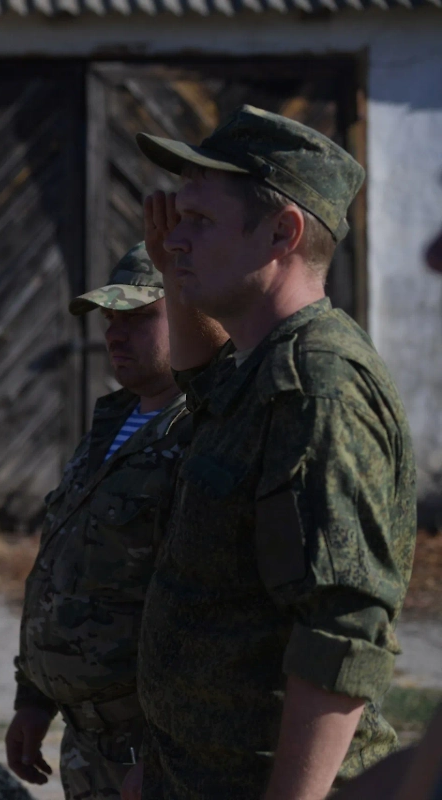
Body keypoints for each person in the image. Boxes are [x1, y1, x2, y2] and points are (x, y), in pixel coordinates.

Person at [120, 105, 416, 800]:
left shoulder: (318, 387)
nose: (174, 238)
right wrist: (162, 766)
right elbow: (201, 384)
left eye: (199, 220)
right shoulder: (259, 363)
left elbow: (342, 633)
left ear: (283, 233)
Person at [5, 244, 225, 799]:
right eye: (110, 320)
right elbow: (62, 569)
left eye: (138, 317)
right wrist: (34, 698)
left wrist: (171, 752)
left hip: (151, 748)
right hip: (88, 742)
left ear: (193, 313)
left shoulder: (204, 433)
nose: (115, 335)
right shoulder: (112, 423)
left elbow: (209, 613)